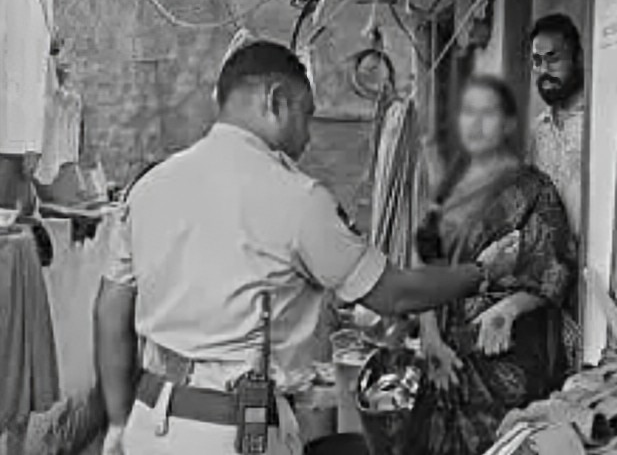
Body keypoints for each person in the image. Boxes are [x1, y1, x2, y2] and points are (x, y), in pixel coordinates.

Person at [93, 41, 514, 455]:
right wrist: (482, 272)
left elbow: (110, 310)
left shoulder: (148, 188)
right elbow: (393, 293)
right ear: (276, 101)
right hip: (233, 431)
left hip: (149, 423)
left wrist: (116, 422)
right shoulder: (297, 198)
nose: (309, 135)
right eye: (306, 114)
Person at [406, 75, 577, 455]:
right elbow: (425, 264)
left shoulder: (534, 190)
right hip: (445, 357)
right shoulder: (447, 189)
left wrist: (510, 308)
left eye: (489, 113)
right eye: (469, 112)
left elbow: (555, 268)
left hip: (504, 358)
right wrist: (430, 336)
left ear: (509, 123)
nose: (477, 123)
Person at [529, 14, 585, 241]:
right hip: (552, 258)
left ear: (578, 58)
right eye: (536, 60)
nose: (543, 70)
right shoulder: (539, 130)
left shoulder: (599, 122)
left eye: (553, 59)